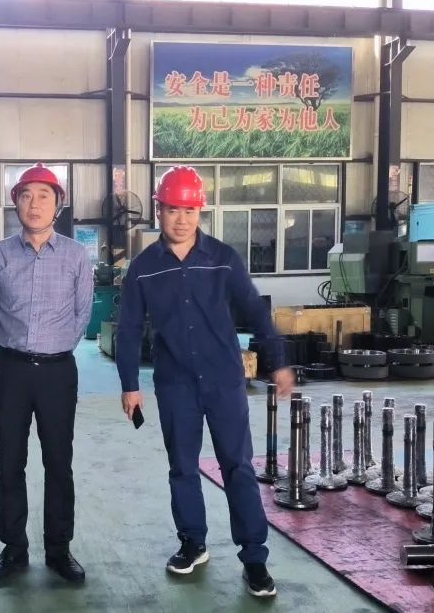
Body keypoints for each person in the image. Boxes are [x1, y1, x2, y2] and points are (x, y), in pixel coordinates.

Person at [115, 165, 294, 598]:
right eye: (173, 210)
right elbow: (129, 328)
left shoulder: (223, 259)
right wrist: (129, 384)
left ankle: (254, 558)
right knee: (182, 467)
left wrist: (278, 361)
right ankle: (192, 542)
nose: (181, 220)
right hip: (175, 383)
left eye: (190, 211)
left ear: (201, 212)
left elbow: (255, 310)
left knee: (238, 467)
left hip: (224, 381)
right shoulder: (143, 268)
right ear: (159, 210)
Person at [0, 163, 93, 586]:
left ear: (58, 205)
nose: (34, 204)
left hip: (58, 373)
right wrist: (13, 342)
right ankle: (14, 549)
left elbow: (82, 315)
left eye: (44, 195)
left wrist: (54, 343)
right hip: (10, 370)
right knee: (10, 463)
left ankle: (59, 550)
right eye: (26, 195)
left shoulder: (76, 256)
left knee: (59, 463)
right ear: (16, 204)